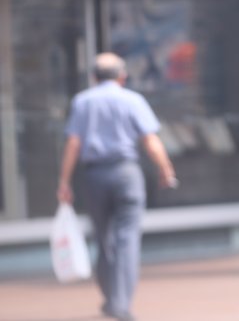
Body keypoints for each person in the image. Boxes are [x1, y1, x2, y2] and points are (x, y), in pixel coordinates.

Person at [56, 53, 176, 321]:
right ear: (122, 77)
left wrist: (64, 182)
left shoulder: (82, 101)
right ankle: (121, 303)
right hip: (126, 172)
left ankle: (111, 299)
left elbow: (73, 144)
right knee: (127, 239)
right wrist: (166, 170)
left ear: (94, 77)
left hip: (94, 175)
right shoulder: (133, 100)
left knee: (104, 238)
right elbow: (150, 140)